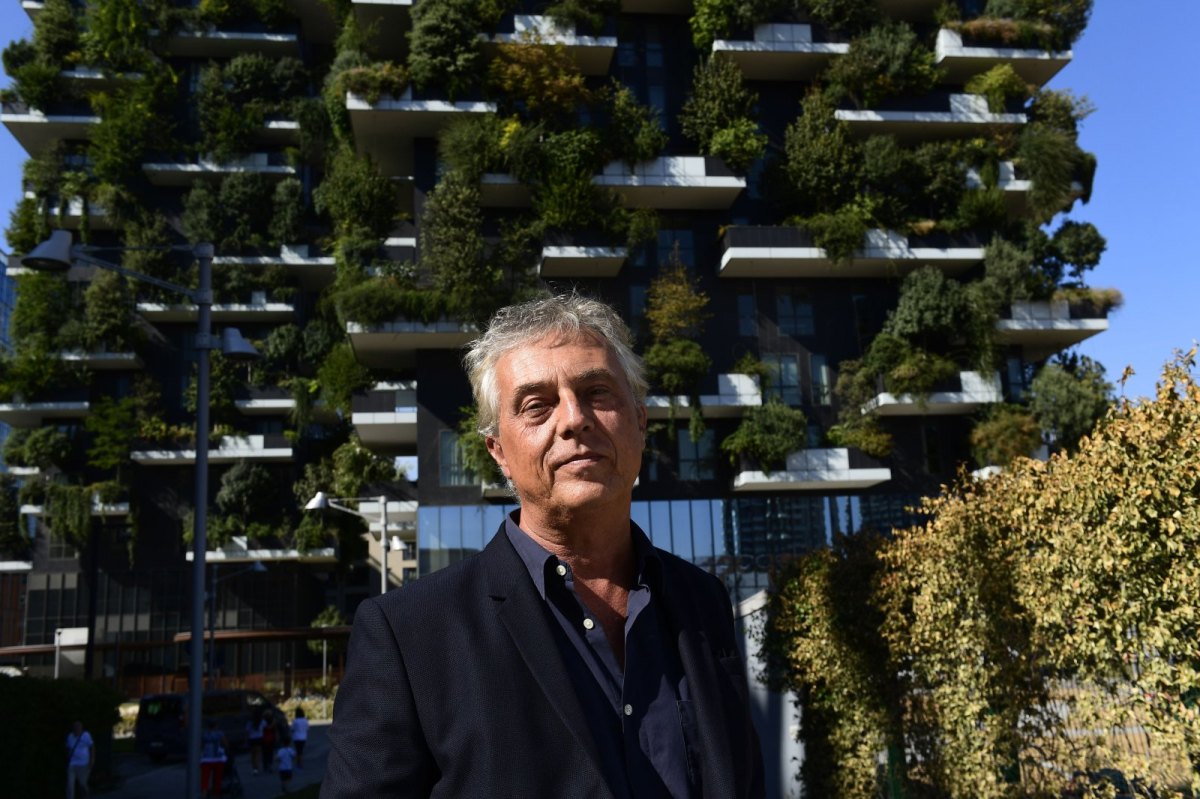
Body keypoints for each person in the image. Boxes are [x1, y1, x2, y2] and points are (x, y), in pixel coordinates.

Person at [323, 294, 764, 797]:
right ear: (499, 453)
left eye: (597, 392)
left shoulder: (701, 600)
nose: (574, 419)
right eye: (538, 405)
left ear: (640, 423)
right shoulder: (408, 635)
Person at [199, 719, 228, 799]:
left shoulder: (204, 734)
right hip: (218, 758)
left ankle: (204, 792)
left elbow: (200, 744)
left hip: (206, 759)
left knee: (205, 777)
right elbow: (225, 743)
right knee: (217, 777)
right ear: (216, 726)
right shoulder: (220, 733)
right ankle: (216, 793)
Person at [65, 720, 94, 799]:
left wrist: (91, 760)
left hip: (83, 764)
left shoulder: (86, 735)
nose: (77, 729)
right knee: (70, 785)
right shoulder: (70, 736)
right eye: (75, 727)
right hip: (72, 764)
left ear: (81, 728)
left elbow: (91, 747)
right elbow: (68, 749)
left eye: (78, 727)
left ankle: (86, 795)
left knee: (82, 784)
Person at [246, 709, 266, 774]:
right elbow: (265, 727)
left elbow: (247, 731)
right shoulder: (262, 721)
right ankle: (257, 767)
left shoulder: (250, 722)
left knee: (253, 755)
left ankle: (254, 768)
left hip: (252, 739)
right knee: (258, 754)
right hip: (259, 738)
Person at [261, 709, 277, 773]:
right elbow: (274, 730)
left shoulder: (262, 722)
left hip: (264, 738)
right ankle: (269, 765)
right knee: (270, 753)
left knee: (265, 753)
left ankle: (265, 766)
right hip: (270, 738)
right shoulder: (272, 722)